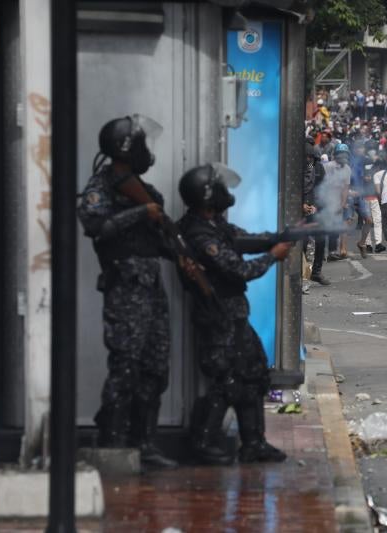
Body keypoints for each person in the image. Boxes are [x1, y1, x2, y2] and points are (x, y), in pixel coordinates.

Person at [77, 115, 179, 468]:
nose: (146, 151)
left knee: (155, 368)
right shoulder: (101, 186)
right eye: (140, 144)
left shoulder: (146, 190)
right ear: (126, 147)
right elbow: (95, 227)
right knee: (125, 365)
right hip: (125, 288)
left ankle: (145, 443)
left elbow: (163, 240)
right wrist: (139, 213)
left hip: (152, 288)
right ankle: (111, 440)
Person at [177, 164, 292, 465]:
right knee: (226, 380)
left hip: (234, 316)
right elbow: (238, 268)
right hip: (218, 318)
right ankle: (202, 442)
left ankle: (254, 443)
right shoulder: (199, 234)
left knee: (253, 374)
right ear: (207, 195)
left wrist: (281, 236)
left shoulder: (215, 225)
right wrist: (273, 256)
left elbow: (243, 239)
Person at [302, 141, 330, 285]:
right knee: (302, 241)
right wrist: (300, 205)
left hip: (314, 209)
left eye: (311, 158)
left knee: (320, 238)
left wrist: (316, 206)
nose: (309, 161)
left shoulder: (316, 167)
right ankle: (301, 275)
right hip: (297, 210)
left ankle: (316, 272)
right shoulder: (295, 168)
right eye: (306, 157)